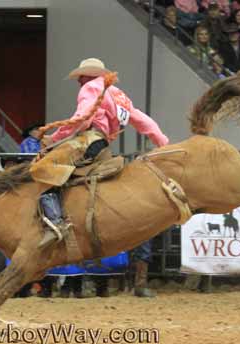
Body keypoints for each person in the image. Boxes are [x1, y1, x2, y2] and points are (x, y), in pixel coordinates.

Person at [32, 58, 169, 248]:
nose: (79, 81)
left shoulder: (90, 88)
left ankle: (56, 222)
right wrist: (162, 143)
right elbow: (143, 121)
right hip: (103, 146)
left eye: (80, 77)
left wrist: (53, 138)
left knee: (43, 168)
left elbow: (83, 119)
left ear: (88, 75)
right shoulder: (119, 95)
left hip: (88, 141)